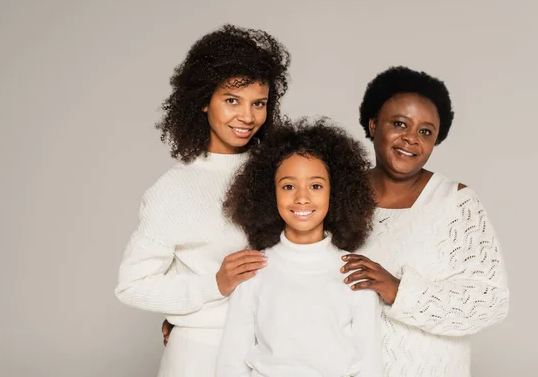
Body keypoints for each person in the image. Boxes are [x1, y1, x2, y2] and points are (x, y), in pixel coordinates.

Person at [114, 24, 290, 377]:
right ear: (203, 102)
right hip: (201, 355)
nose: (247, 116)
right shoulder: (174, 189)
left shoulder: (283, 175)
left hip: (273, 349)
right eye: (231, 100)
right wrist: (213, 284)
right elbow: (132, 286)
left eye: (259, 103)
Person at [341, 66, 510, 376]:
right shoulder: (335, 195)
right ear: (374, 124)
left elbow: (490, 302)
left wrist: (399, 291)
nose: (411, 139)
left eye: (425, 131)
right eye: (399, 124)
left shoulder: (456, 203)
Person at [218, 118, 382, 377]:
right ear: (270, 193)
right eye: (288, 186)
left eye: (316, 186)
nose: (302, 197)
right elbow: (231, 360)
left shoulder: (353, 271)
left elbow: (369, 362)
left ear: (336, 192)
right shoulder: (254, 269)